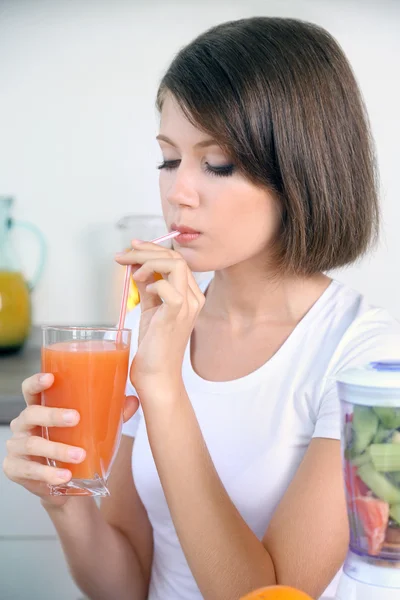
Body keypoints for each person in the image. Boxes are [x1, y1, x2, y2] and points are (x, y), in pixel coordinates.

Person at [3, 16, 400, 600]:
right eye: (168, 159)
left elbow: (267, 595)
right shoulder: (153, 326)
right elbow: (127, 583)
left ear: (302, 171)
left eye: (217, 164)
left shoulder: (371, 361)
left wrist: (163, 389)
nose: (177, 192)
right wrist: (65, 503)